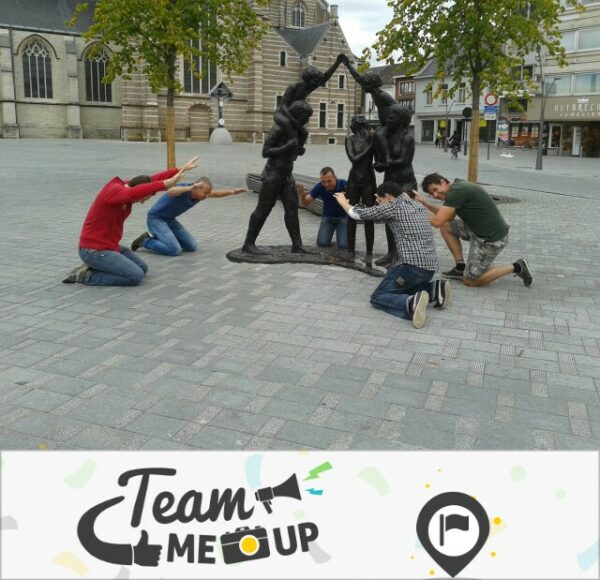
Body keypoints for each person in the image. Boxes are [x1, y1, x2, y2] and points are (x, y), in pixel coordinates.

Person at [62, 156, 198, 285]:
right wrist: (165, 184)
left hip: (109, 246)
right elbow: (136, 192)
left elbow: (152, 180)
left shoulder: (128, 186)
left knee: (142, 268)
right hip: (93, 250)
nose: (143, 202)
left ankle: (95, 266)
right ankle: (85, 276)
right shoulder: (114, 191)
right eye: (144, 198)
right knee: (135, 276)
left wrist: (181, 169)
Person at [334, 182, 452, 329]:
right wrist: (367, 206)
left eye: (380, 201)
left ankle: (411, 304)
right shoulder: (417, 206)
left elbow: (356, 215)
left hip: (410, 268)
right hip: (428, 269)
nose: (379, 204)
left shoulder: (394, 207)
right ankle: (436, 289)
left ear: (388, 197)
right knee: (402, 288)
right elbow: (374, 215)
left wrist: (343, 202)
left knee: (378, 296)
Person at [418, 173, 533, 288]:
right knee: (446, 226)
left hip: (492, 240)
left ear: (443, 182)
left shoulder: (457, 192)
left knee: (470, 281)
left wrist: (415, 211)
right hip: (477, 229)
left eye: (435, 189)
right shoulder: (457, 187)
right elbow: (448, 217)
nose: (435, 195)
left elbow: (437, 222)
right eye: (431, 194)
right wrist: (426, 204)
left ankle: (518, 266)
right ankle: (460, 268)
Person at [242, 100, 313, 255]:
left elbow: (293, 154)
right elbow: (265, 152)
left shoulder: (297, 131)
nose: (307, 120)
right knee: (263, 210)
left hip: (287, 175)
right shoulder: (279, 128)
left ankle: (297, 245)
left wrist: (298, 150)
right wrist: (287, 147)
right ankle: (248, 244)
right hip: (272, 175)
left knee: (292, 210)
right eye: (305, 117)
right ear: (297, 114)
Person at [130, 179, 246, 256]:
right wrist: (190, 188)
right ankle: (145, 241)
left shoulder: (199, 195)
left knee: (191, 246)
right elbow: (171, 191)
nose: (207, 196)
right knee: (174, 250)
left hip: (170, 220)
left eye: (207, 193)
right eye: (205, 193)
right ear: (196, 188)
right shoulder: (184, 189)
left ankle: (165, 238)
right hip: (156, 219)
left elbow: (215, 194)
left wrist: (233, 192)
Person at [373, 104, 418, 267]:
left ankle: (402, 255)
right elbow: (382, 162)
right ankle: (391, 252)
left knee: (400, 219)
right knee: (389, 218)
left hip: (405, 182)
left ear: (401, 119)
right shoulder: (387, 137)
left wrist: (386, 163)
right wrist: (379, 165)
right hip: (390, 181)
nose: (388, 118)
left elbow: (403, 161)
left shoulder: (408, 138)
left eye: (392, 116)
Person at [345, 115, 376, 267]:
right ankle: (350, 250)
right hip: (354, 181)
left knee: (369, 217)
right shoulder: (350, 139)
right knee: (351, 216)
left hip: (368, 180)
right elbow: (354, 158)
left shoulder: (371, 138)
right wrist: (370, 146)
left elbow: (379, 158)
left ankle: (369, 252)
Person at [297, 167, 348, 250]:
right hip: (328, 217)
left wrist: (349, 196)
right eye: (323, 181)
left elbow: (359, 200)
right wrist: (302, 196)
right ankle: (335, 237)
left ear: (335, 178)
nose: (326, 184)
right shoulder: (320, 186)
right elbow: (303, 204)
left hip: (344, 217)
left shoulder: (344, 185)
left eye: (329, 181)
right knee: (322, 244)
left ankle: (344, 237)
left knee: (344, 246)